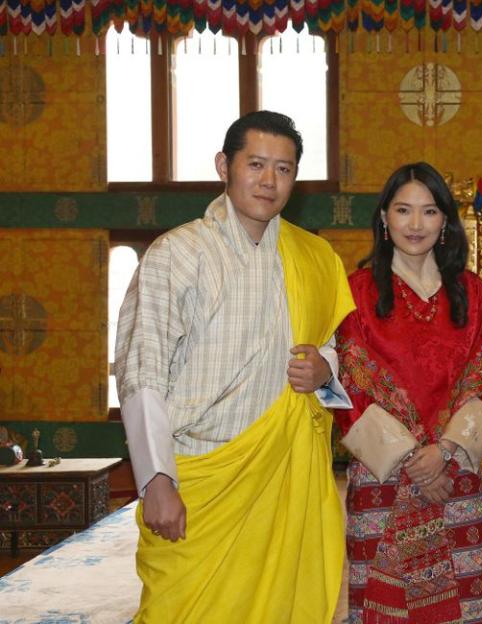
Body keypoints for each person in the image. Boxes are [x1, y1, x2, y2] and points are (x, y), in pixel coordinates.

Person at [115, 111, 354, 623]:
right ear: (225, 165)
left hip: (281, 483)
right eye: (257, 164)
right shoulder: (177, 254)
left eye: (284, 169)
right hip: (198, 479)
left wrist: (325, 373)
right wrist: (156, 480)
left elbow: (335, 357)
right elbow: (142, 370)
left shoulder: (314, 257)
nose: (270, 181)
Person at [335, 162, 482, 623]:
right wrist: (414, 461)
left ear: (445, 221)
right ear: (384, 218)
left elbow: (481, 377)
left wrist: (444, 450)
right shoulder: (356, 291)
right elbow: (351, 387)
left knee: (461, 607)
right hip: (382, 476)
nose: (415, 224)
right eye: (403, 210)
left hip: (453, 475)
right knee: (381, 608)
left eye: (429, 212)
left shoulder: (471, 290)